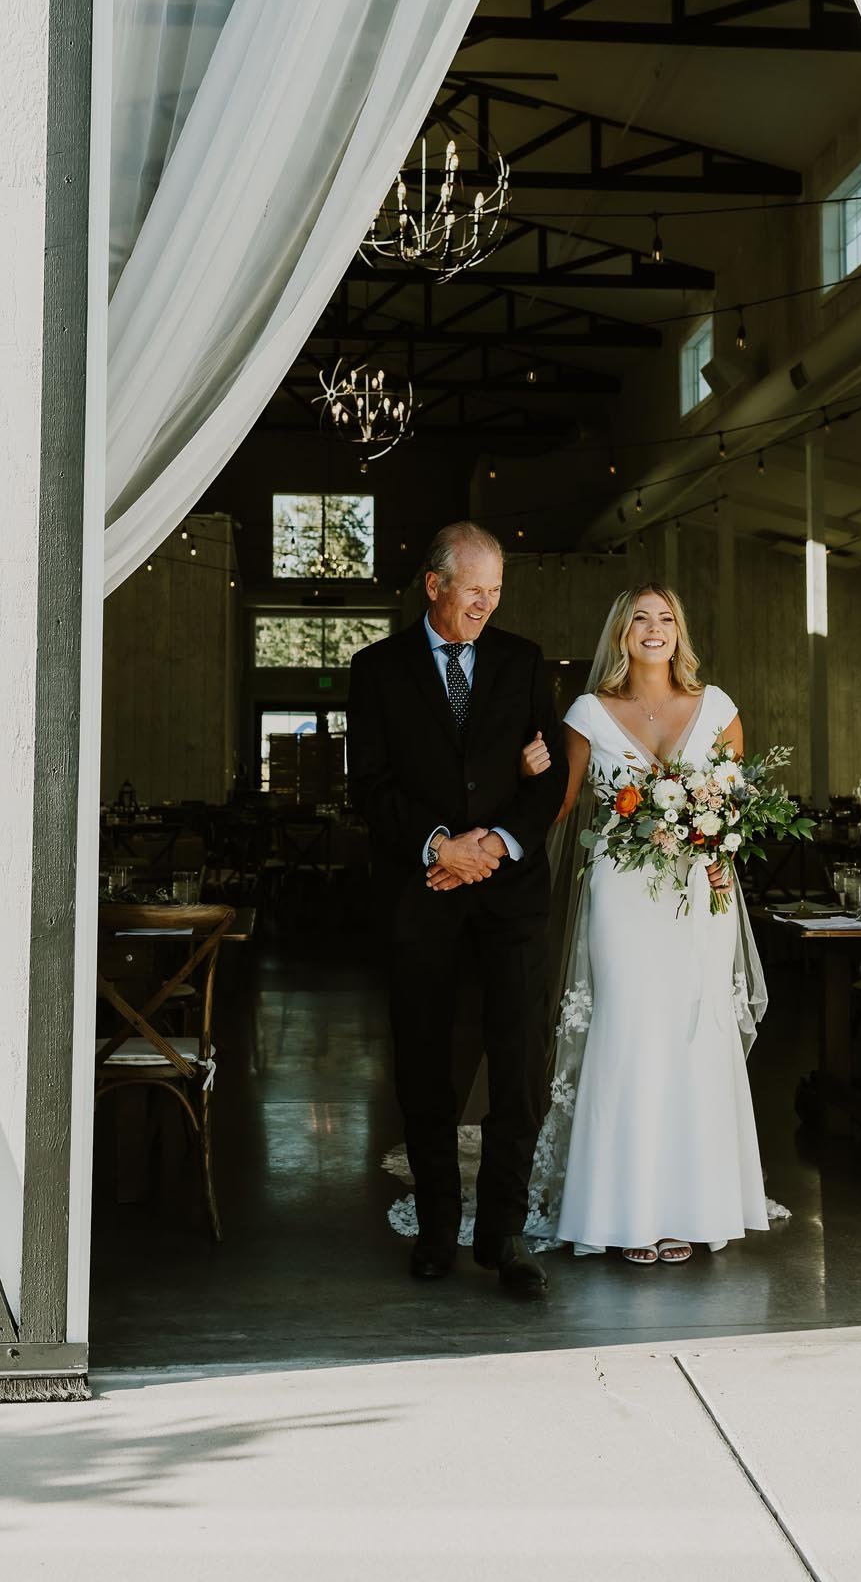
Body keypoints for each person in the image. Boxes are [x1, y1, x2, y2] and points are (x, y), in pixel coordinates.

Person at [521, 584, 772, 1265]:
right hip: (622, 895)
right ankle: (622, 1210)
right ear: (620, 633)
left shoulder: (717, 707)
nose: (653, 628)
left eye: (665, 618)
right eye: (640, 618)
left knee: (694, 1037)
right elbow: (561, 804)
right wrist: (519, 778)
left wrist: (721, 855)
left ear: (679, 633)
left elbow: (731, 805)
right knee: (627, 1033)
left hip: (697, 896)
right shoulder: (586, 712)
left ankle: (693, 1208)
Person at [348, 521, 566, 1296]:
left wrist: (496, 844)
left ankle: (501, 1233)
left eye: (495, 590)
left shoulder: (521, 660)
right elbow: (367, 787)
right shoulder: (374, 670)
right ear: (434, 585)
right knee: (424, 1065)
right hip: (421, 895)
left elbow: (549, 779)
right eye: (473, 588)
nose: (486, 602)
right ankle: (436, 1229)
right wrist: (440, 846)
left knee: (519, 1065)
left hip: (508, 896)